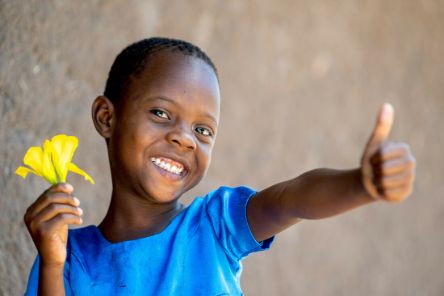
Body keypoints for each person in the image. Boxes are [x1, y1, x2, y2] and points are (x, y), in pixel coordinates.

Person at [23, 37, 416, 295]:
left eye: (203, 130)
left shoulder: (213, 227)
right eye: (161, 112)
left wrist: (359, 185)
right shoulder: (66, 257)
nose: (185, 138)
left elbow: (289, 200)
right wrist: (53, 263)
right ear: (107, 117)